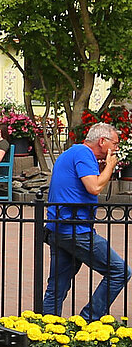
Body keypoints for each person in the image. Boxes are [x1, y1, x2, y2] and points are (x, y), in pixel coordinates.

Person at [42, 122, 128, 319]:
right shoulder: (83, 153)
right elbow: (94, 187)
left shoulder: (73, 153)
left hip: (59, 228)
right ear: (102, 141)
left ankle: (48, 326)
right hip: (76, 230)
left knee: (57, 286)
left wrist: (102, 168)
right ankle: (88, 319)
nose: (116, 148)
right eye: (115, 143)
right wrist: (110, 167)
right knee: (119, 271)